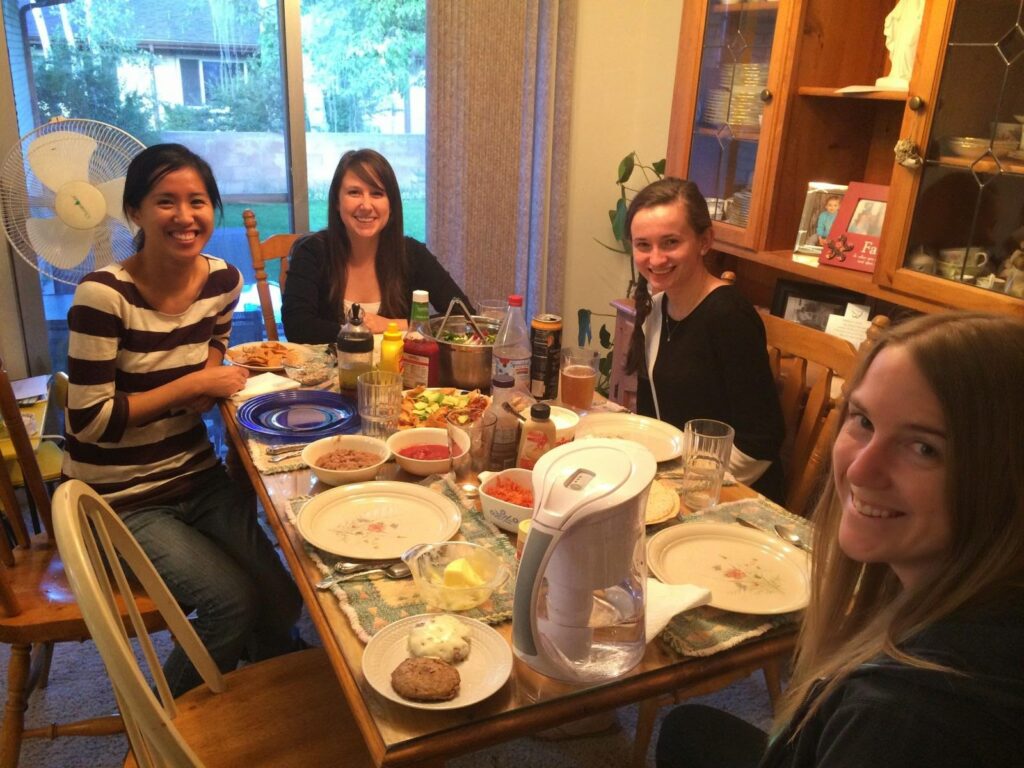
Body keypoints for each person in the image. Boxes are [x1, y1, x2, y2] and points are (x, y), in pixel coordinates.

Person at [655, 312, 1024, 768]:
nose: (859, 470)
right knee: (689, 729)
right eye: (864, 421)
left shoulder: (904, 717)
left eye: (924, 447)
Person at [63, 143, 303, 697]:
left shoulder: (224, 282)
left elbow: (214, 344)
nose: (184, 216)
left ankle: (271, 693)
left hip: (196, 473)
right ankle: (162, 729)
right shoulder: (103, 296)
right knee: (229, 604)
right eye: (165, 201)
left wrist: (210, 373)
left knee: (285, 599)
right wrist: (193, 385)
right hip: (120, 498)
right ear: (136, 212)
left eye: (197, 201)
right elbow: (89, 422)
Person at [624, 178, 785, 501]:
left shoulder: (729, 318)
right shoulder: (656, 308)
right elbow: (651, 416)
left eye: (670, 242)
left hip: (730, 493)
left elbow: (761, 442)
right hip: (673, 478)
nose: (655, 259)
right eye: (644, 245)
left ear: (705, 241)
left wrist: (688, 488)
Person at [282, 148, 472, 342]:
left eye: (377, 193)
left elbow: (463, 317)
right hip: (325, 371)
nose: (366, 205)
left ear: (391, 204)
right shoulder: (312, 251)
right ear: (337, 202)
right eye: (354, 192)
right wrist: (358, 332)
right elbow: (297, 326)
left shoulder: (412, 254)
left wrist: (394, 325)